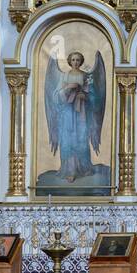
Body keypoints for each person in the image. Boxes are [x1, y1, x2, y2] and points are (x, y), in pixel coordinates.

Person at [44, 50, 106, 183]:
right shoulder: (64, 76)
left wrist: (86, 96)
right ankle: (70, 170)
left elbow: (95, 97)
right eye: (73, 60)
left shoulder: (86, 76)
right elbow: (55, 96)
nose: (75, 62)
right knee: (68, 139)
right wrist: (67, 89)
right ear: (69, 61)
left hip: (82, 112)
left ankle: (83, 167)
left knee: (81, 138)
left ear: (81, 61)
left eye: (78, 60)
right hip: (67, 113)